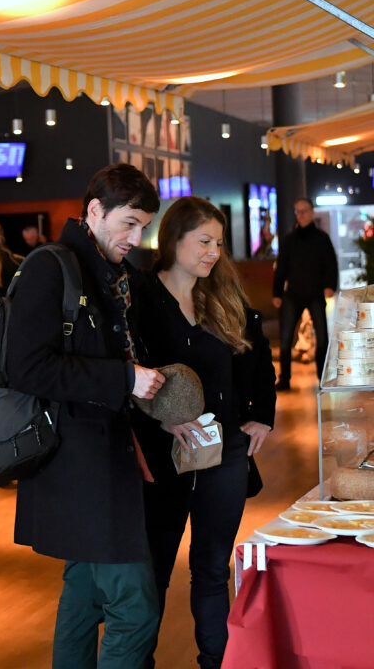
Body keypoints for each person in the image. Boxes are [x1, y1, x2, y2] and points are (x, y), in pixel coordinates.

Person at [6, 163, 166, 669]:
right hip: (76, 465)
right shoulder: (49, 267)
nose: (136, 238)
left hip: (101, 459)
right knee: (135, 606)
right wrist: (123, 380)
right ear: (94, 211)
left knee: (83, 594)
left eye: (143, 226)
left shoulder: (108, 272)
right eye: (129, 224)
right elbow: (27, 368)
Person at [133, 196, 276, 669]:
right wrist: (159, 418)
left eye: (219, 242)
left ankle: (215, 662)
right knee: (153, 572)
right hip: (162, 455)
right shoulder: (139, 298)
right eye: (204, 241)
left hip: (223, 453)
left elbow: (259, 362)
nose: (214, 252)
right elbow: (127, 379)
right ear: (173, 240)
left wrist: (263, 413)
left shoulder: (223, 295)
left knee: (212, 568)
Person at [273, 197, 338, 390]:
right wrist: (276, 293)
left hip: (315, 293)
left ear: (311, 213)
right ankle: (284, 379)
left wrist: (330, 286)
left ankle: (323, 379)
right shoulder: (289, 240)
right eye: (297, 211)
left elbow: (331, 264)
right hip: (292, 294)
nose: (300, 215)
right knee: (285, 339)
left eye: (304, 211)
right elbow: (281, 268)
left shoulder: (322, 239)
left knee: (323, 340)